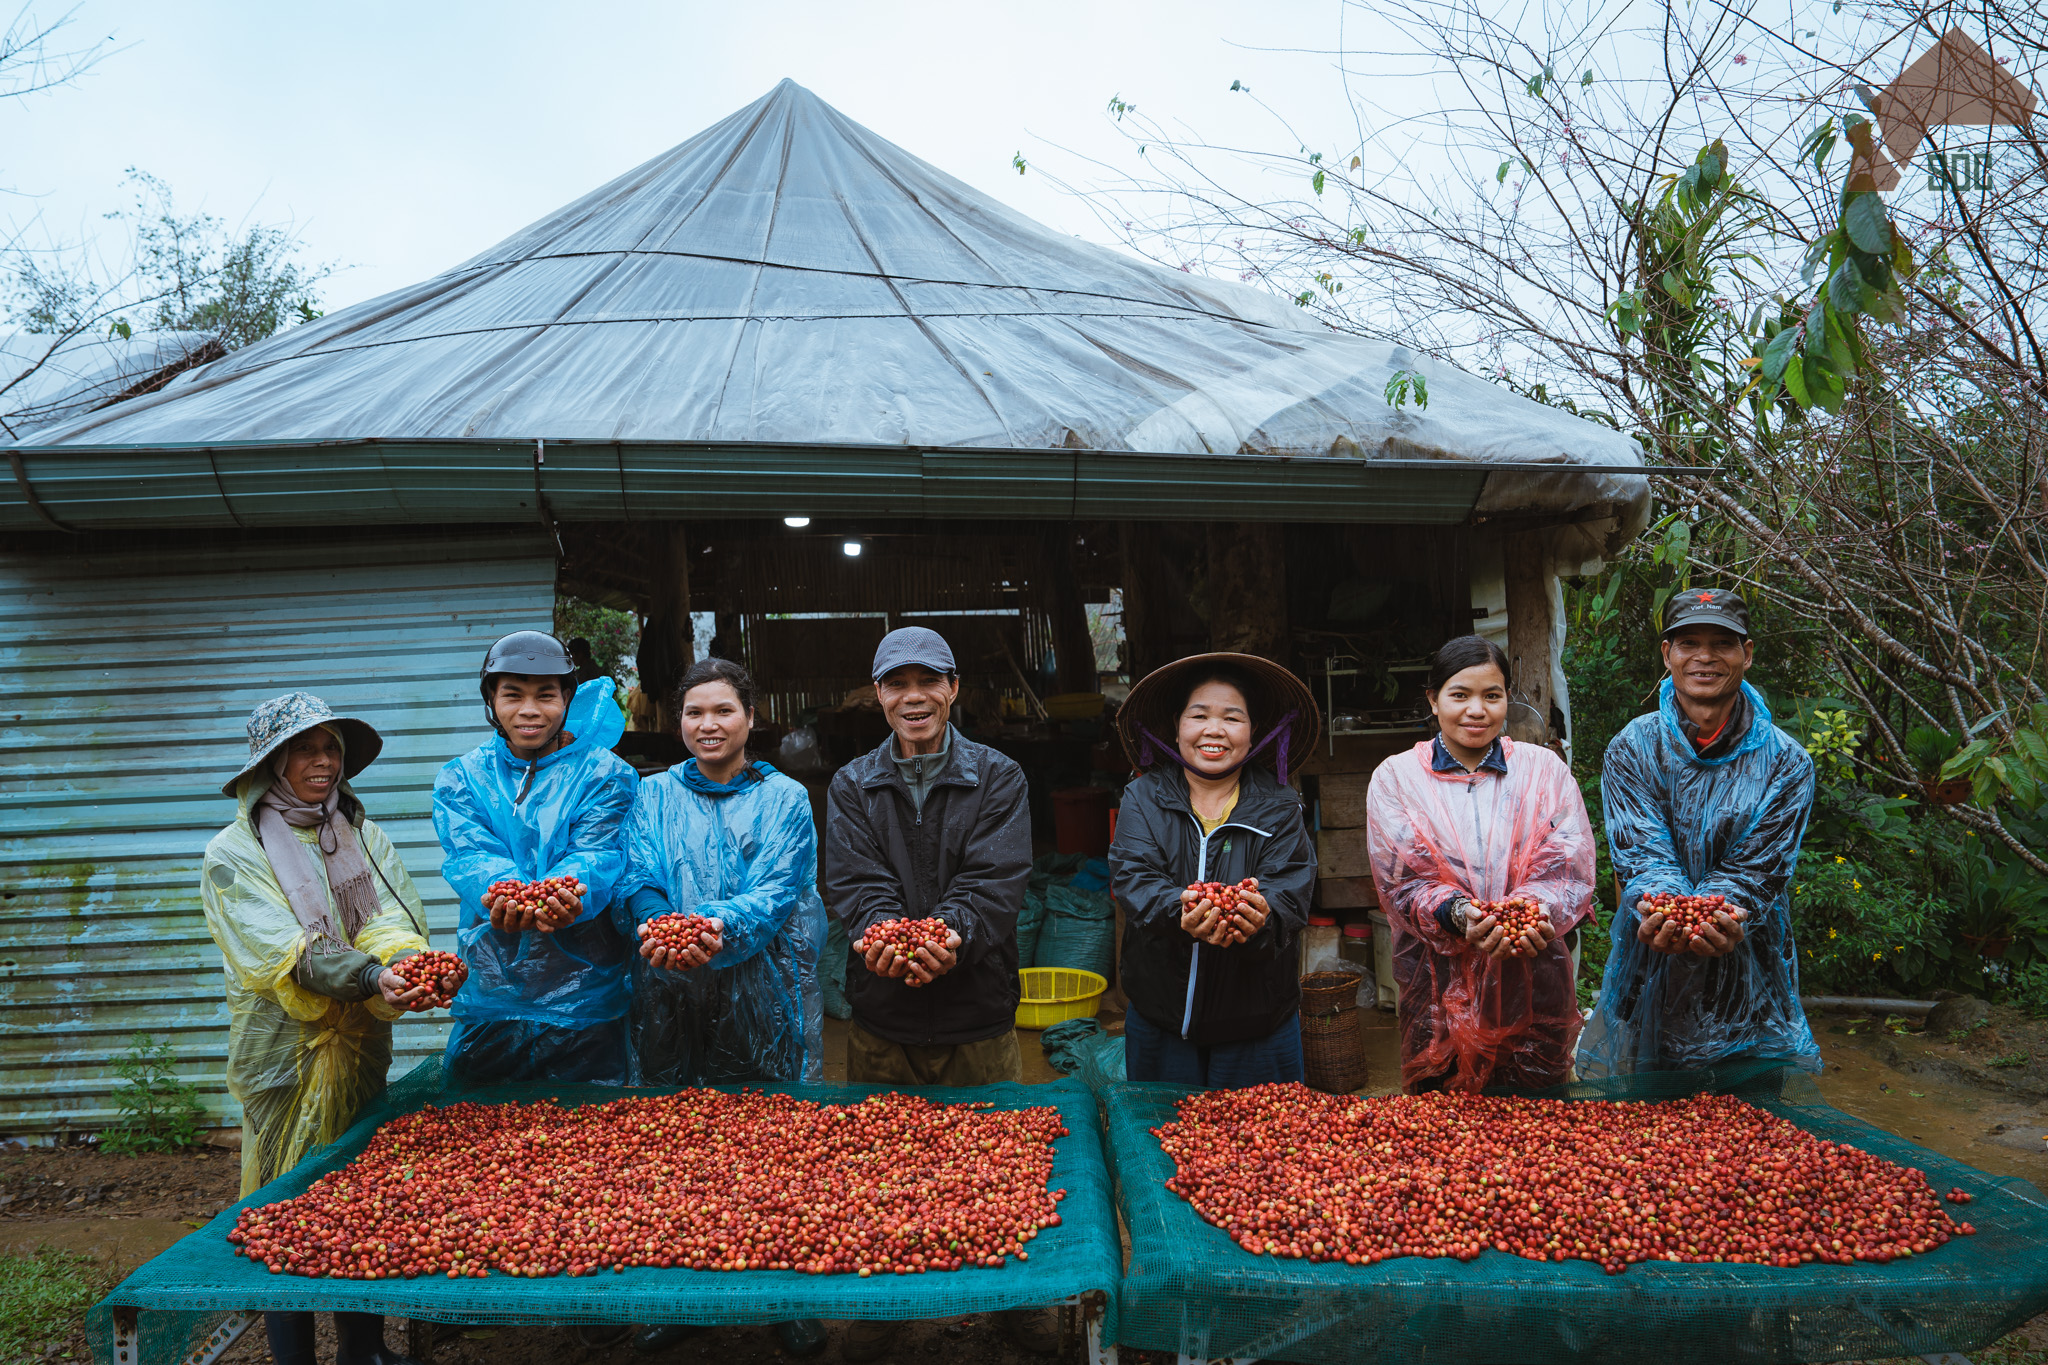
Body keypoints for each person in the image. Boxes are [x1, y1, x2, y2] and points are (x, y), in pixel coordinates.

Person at [201, 692, 448, 1365]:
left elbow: (388, 920)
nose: (322, 761)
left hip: (360, 1044)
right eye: (305, 748)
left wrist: (409, 963)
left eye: (331, 747)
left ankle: (361, 1348)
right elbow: (284, 950)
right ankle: (293, 1357)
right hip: (284, 1051)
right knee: (285, 1200)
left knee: (353, 1192)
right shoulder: (234, 851)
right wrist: (371, 977)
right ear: (272, 762)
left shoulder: (358, 832)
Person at [824, 626, 1048, 1361]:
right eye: (897, 683)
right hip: (883, 1014)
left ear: (954, 689)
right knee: (883, 1173)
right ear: (878, 695)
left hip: (976, 1007)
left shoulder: (999, 776)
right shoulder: (853, 783)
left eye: (929, 681)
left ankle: (1012, 1302)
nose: (912, 696)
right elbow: (855, 883)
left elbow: (995, 878)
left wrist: (945, 939)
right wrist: (892, 938)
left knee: (994, 1166)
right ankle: (885, 1308)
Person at [618, 656, 827, 1356]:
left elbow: (773, 893)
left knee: (774, 1147)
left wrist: (709, 930)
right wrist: (654, 920)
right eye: (694, 712)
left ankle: (787, 1299)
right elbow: (639, 872)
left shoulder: (785, 797)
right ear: (678, 721)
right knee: (679, 1147)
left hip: (762, 989)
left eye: (723, 711)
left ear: (750, 716)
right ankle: (682, 1296)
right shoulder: (651, 795)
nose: (708, 724)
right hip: (670, 990)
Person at [1578, 589, 1823, 1078]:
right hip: (1649, 967)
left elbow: (1758, 868)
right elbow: (1641, 851)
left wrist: (1715, 917)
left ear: (1746, 654)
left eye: (1722, 644)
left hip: (1748, 970)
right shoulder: (1633, 747)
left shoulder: (1786, 761)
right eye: (1688, 642)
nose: (1705, 657)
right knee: (1645, 1132)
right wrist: (1668, 909)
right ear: (1667, 653)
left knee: (1753, 1130)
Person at [1365, 636, 1596, 1092]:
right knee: (1446, 1124)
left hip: (1533, 968)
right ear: (1433, 700)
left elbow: (1567, 866)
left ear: (1507, 698)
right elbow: (1402, 882)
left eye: (1492, 696)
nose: (1477, 710)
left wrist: (1527, 910)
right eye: (1459, 695)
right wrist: (1457, 914)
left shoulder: (1543, 770)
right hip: (1436, 980)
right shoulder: (1396, 777)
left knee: (1538, 1124)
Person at [433, 631, 639, 1087]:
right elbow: (471, 855)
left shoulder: (607, 773)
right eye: (513, 695)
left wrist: (566, 891)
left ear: (567, 697)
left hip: (586, 991)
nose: (529, 710)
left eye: (545, 695)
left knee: (592, 1139)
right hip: (493, 986)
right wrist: (509, 894)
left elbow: (599, 852)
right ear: (491, 699)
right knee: (480, 1134)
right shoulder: (460, 778)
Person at [1108, 652, 1319, 1087]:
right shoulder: (1142, 798)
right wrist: (1178, 907)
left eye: (1233, 718)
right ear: (1177, 724)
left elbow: (1290, 888)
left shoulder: (1281, 806)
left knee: (1260, 1149)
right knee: (1162, 1144)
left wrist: (1262, 916)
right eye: (1199, 715)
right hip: (1161, 1020)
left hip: (1258, 1025)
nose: (1214, 731)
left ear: (1253, 730)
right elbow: (1134, 876)